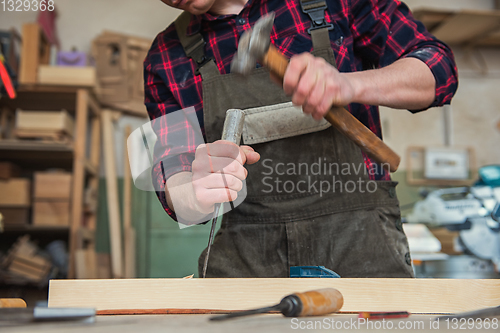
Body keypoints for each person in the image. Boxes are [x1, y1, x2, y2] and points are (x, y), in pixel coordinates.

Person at [144, 0, 458, 278]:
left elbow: (438, 71)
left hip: (361, 239)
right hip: (249, 254)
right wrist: (195, 194)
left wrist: (349, 85)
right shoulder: (166, 57)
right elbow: (176, 175)